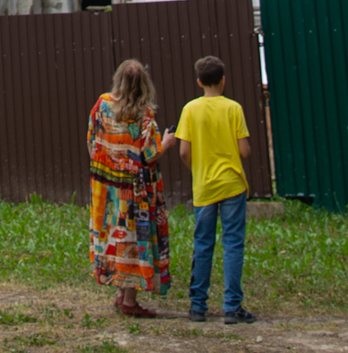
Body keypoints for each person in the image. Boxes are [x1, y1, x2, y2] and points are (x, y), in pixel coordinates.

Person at [87, 58, 172, 318]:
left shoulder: (101, 105)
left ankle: (121, 293)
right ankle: (129, 302)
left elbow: (92, 141)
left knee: (113, 235)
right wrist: (166, 141)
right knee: (133, 240)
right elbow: (151, 155)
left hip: (106, 188)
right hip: (135, 192)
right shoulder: (143, 116)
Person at [174, 54, 254, 323]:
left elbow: (184, 150)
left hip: (204, 185)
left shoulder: (190, 110)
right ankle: (232, 307)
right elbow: (244, 151)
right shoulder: (234, 109)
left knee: (203, 243)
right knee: (233, 243)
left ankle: (198, 306)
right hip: (232, 184)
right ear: (223, 80)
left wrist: (196, 169)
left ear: (198, 82)